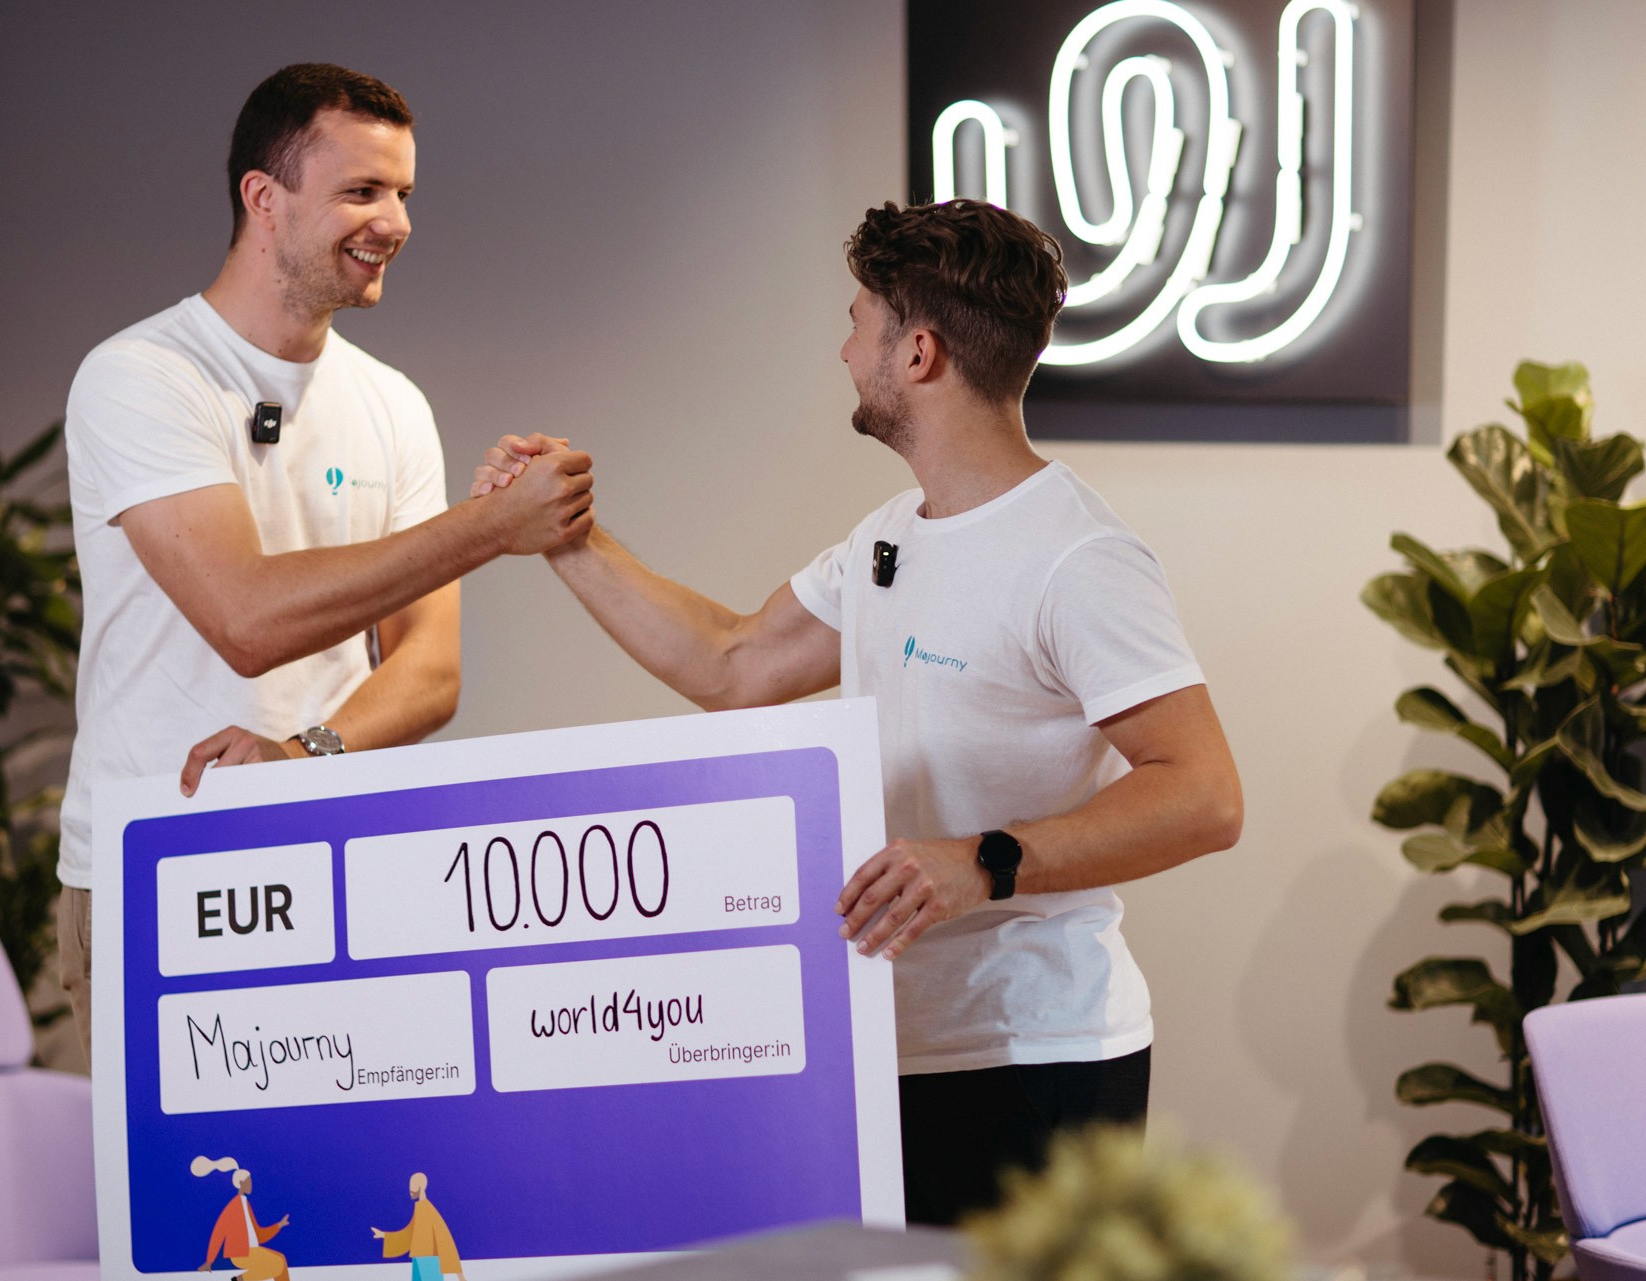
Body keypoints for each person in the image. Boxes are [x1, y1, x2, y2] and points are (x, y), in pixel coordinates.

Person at [471, 199, 1243, 1224]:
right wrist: (565, 538)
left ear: (917, 352)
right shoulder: (890, 538)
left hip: (1032, 1047)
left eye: (857, 324)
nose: (845, 351)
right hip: (892, 1039)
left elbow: (1204, 796)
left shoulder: (1079, 558)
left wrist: (982, 860)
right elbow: (733, 664)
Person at [56, 63, 595, 1062]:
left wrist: (305, 759)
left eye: (402, 195)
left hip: (339, 866)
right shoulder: (140, 378)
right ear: (264, 199)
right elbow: (247, 620)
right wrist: (493, 527)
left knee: (333, 1204)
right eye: (362, 191)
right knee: (178, 1216)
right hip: (157, 870)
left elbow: (429, 674)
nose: (395, 221)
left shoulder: (392, 403)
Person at [193, 1159, 290, 1281]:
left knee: (281, 1258)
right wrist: (209, 1260)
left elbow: (258, 1234)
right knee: (277, 1264)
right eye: (249, 1181)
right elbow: (219, 1232)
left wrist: (279, 1225)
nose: (251, 1185)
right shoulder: (234, 1206)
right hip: (240, 1253)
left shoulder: (246, 1205)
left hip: (252, 1250)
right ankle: (239, 1280)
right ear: (241, 1183)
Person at [373, 1171, 464, 1281]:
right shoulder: (420, 1208)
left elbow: (445, 1240)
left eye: (413, 1184)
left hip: (430, 1261)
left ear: (420, 1186)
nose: (409, 1188)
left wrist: (460, 1275)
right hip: (419, 1259)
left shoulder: (426, 1209)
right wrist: (384, 1235)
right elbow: (408, 1234)